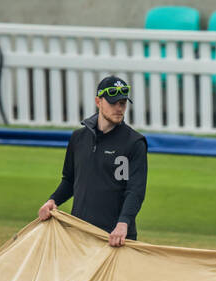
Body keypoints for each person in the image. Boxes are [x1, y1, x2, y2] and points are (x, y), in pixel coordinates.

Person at [37, 75, 148, 247]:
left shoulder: (135, 143)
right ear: (98, 101)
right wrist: (53, 201)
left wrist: (123, 222)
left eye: (123, 103)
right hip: (79, 233)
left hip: (115, 237)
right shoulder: (78, 138)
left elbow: (135, 191)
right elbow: (70, 180)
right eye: (113, 103)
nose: (119, 108)